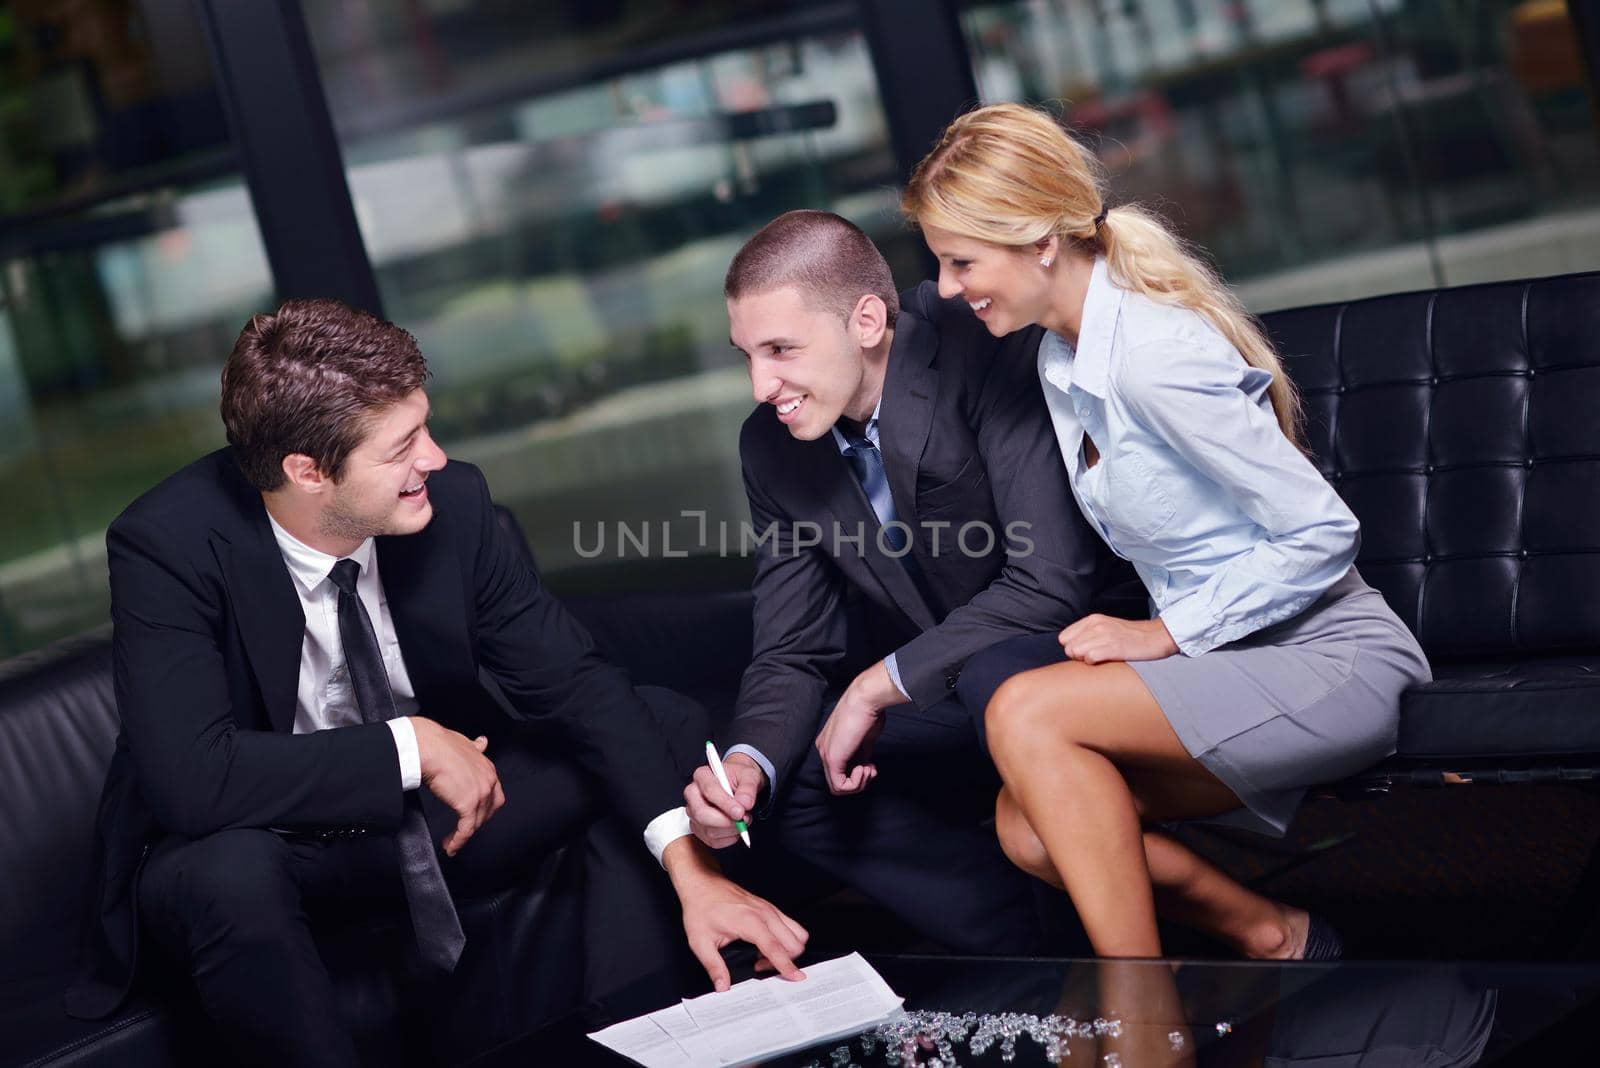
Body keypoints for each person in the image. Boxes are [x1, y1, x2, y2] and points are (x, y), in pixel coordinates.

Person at [66, 298, 807, 1066]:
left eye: (425, 426)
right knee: (229, 873)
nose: (437, 458)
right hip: (272, 845)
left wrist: (694, 872)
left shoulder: (453, 504)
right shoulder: (169, 543)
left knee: (660, 721)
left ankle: (642, 1041)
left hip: (434, 827)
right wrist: (410, 747)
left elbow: (578, 685)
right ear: (308, 471)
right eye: (403, 446)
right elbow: (193, 779)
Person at [900, 104, 1432, 960]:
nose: (953, 288)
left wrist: (1164, 633)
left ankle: (1141, 1015)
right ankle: (1275, 935)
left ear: (1042, 241)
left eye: (962, 262)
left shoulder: (1153, 356)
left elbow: (1323, 534)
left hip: (1331, 657)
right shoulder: (1059, 358)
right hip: (1232, 665)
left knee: (1027, 715)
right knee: (1027, 827)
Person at [681, 210, 1111, 952]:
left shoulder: (983, 349)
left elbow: (1049, 585)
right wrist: (747, 765)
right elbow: (792, 648)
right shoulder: (772, 447)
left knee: (994, 684)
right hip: (951, 690)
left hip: (1072, 658)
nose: (760, 385)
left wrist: (878, 683)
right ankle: (1032, 950)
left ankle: (1099, 929)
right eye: (746, 355)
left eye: (781, 349)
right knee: (798, 784)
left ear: (868, 320)